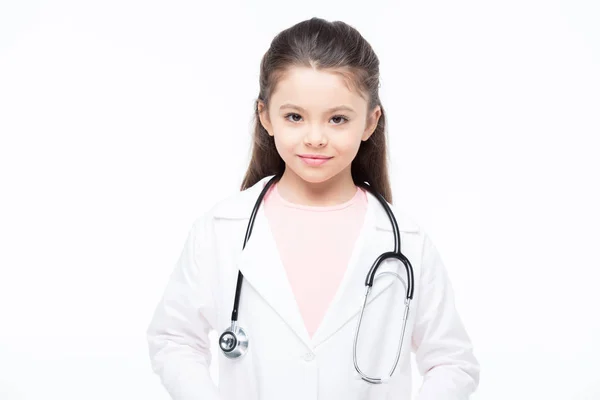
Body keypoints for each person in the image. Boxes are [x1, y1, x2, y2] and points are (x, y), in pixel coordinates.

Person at [146, 16, 480, 400]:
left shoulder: (407, 241)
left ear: (370, 122)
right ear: (265, 116)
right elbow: (174, 339)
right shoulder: (221, 230)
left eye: (338, 119)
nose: (316, 137)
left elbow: (452, 362)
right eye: (294, 117)